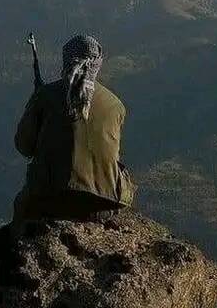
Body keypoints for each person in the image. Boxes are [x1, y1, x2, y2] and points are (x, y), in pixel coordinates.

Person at [13, 34, 135, 223]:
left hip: (51, 201)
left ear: (66, 61)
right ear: (98, 63)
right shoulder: (116, 105)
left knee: (21, 208)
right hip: (104, 205)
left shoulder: (46, 96)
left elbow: (24, 146)